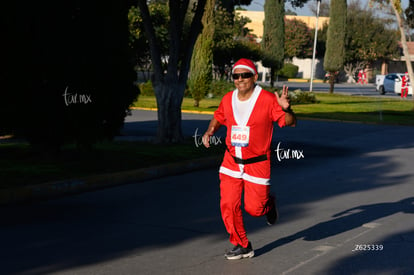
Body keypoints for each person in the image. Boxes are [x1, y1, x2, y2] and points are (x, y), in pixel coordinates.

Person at [202, 58, 296, 260]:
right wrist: (210, 131)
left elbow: (289, 122)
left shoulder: (269, 99)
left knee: (255, 209)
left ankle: (268, 205)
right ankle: (241, 244)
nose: (240, 79)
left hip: (258, 164)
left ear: (254, 76)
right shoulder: (228, 99)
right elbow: (219, 116)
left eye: (245, 75)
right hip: (231, 161)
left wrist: (287, 108)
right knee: (228, 204)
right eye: (236, 76)